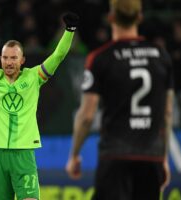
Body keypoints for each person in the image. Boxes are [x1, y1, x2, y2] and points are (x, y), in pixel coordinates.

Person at [0, 7, 78, 200]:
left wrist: (69, 31)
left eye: (14, 58)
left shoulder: (35, 77)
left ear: (22, 60)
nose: (9, 62)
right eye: (5, 58)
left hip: (23, 153)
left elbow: (57, 56)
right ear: (0, 59)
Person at [65, 0, 173, 199]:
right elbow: (166, 114)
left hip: (115, 155)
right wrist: (164, 158)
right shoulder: (161, 57)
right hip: (151, 156)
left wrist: (74, 155)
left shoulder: (101, 58)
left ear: (111, 18)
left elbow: (87, 116)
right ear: (139, 17)